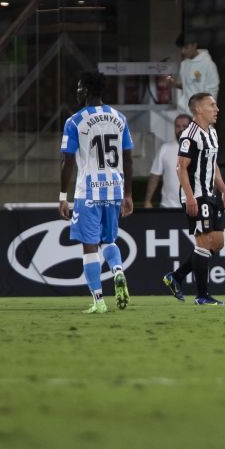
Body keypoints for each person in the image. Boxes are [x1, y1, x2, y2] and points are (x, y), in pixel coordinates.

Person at [58, 71, 134, 314]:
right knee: (109, 240)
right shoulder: (119, 118)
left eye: (80, 87)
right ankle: (118, 271)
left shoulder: (74, 122)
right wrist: (129, 194)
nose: (77, 91)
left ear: (88, 91)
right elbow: (128, 157)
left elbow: (67, 161)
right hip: (114, 189)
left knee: (89, 246)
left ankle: (99, 301)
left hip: (88, 191)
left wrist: (62, 196)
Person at [162, 93, 225, 306]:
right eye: (212, 105)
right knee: (203, 243)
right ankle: (202, 295)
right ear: (198, 109)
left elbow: (213, 164)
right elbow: (180, 168)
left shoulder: (212, 132)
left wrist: (224, 191)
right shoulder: (189, 135)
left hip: (211, 194)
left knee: (217, 243)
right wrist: (190, 197)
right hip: (197, 196)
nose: (217, 109)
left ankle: (176, 277)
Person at [144, 113, 190, 209]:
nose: (181, 129)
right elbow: (154, 176)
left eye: (184, 126)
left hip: (194, 208)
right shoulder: (165, 148)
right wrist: (147, 201)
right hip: (168, 207)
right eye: (177, 126)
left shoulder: (200, 149)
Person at [172, 34, 219, 117]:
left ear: (194, 45)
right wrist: (172, 83)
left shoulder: (208, 64)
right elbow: (187, 86)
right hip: (184, 111)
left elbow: (212, 92)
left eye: (186, 47)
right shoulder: (184, 64)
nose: (183, 51)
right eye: (181, 48)